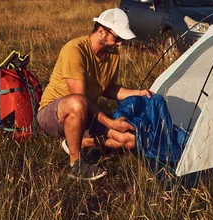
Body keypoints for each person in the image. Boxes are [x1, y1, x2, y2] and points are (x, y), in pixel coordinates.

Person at [37, 8, 151, 181]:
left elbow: (108, 88)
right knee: (77, 103)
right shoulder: (74, 50)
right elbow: (80, 99)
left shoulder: (112, 55)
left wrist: (137, 92)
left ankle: (76, 142)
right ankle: (75, 165)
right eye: (118, 38)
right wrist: (110, 123)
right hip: (54, 115)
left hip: (86, 115)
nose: (120, 44)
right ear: (101, 32)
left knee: (129, 140)